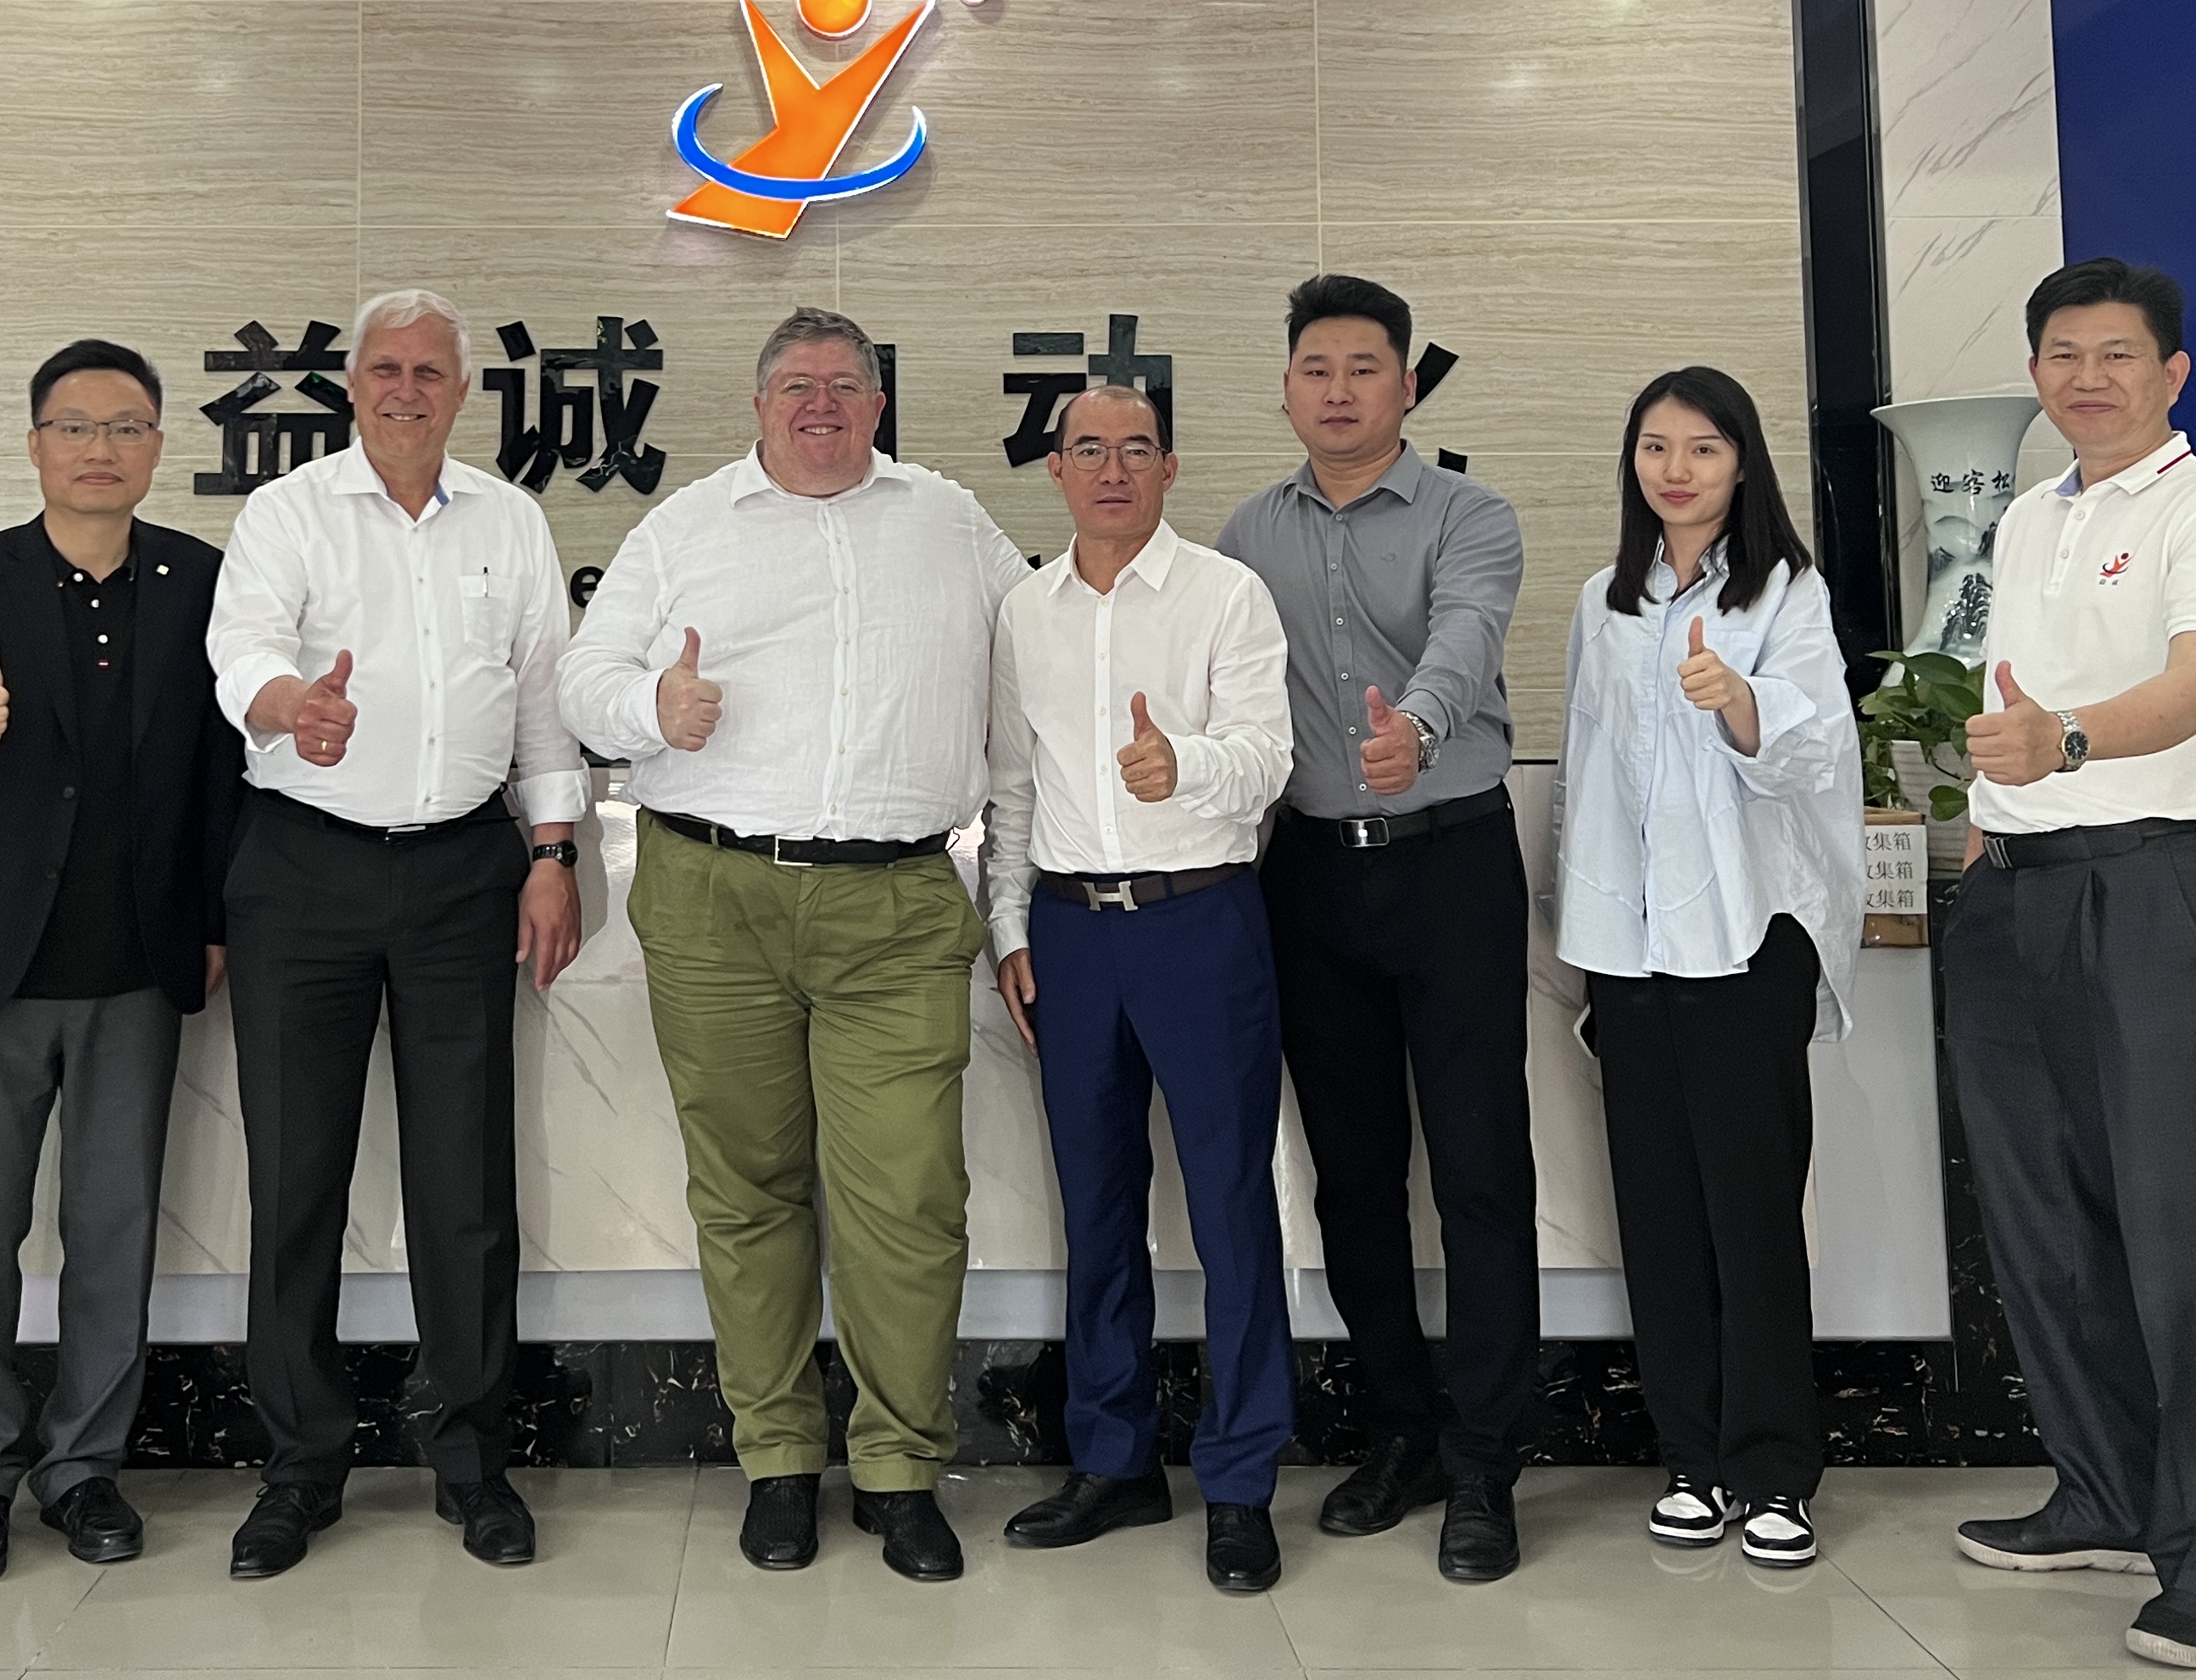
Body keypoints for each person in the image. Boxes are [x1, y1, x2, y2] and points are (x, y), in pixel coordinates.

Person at [560, 306, 1028, 1584]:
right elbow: (583, 679)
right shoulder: (686, 527)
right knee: (748, 1190)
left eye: (845, 384)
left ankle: (899, 1470)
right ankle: (775, 1458)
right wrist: (650, 706)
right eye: (797, 385)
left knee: (908, 1198)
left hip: (898, 905)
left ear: (878, 404)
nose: (821, 402)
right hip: (713, 898)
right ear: (759, 405)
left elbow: (1036, 665)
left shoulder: (950, 521)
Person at [203, 291, 587, 1577]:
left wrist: (552, 855)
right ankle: (299, 1467)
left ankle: (472, 1462)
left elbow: (543, 704)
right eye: (384, 368)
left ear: (462, 390)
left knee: (465, 1186)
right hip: (302, 870)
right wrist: (287, 706)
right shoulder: (288, 512)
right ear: (352, 384)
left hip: (466, 873)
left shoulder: (510, 521)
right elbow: (241, 650)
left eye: (429, 370)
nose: (406, 389)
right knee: (294, 1180)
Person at [1943, 259, 2196, 1672]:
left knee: (2177, 1229)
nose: (2087, 378)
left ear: (2172, 372)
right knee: (2047, 1222)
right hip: (2017, 895)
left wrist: (2070, 743)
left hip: (2152, 887)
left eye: (2118, 354)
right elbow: (2006, 707)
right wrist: (1992, 825)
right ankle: (2104, 1493)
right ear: (2036, 372)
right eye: (2062, 355)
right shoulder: (2033, 515)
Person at [0, 340, 244, 1584]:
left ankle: (86, 1467)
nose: (101, 449)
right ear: (36, 443)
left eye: (127, 427)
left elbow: (220, 769)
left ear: (158, 447)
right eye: (76, 427)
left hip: (136, 964)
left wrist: (213, 923)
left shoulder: (201, 580)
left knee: (114, 1231)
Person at [1214, 272, 1534, 1582]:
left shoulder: (1473, 515)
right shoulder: (1246, 533)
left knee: (1479, 1171)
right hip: (1309, 879)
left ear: (1407, 385)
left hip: (1453, 864)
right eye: (1316, 370)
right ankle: (1403, 1429)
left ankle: (1488, 1461)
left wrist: (1422, 726)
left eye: (1363, 369)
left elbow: (1465, 636)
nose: (1339, 392)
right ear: (1286, 389)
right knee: (1350, 1176)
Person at [983, 384, 1296, 1596]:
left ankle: (1242, 1478)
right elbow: (1013, 788)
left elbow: (1268, 758)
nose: (1112, 468)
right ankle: (1112, 1461)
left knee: (1230, 1205)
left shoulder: (1226, 594)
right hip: (1070, 935)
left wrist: (1185, 765)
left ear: (1171, 468)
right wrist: (1011, 925)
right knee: (1097, 1205)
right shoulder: (1025, 610)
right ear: (1056, 471)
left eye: (1136, 449)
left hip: (1201, 922)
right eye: (1088, 450)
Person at [1551, 366, 1862, 1572]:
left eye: (1703, 449)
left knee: (1753, 1213)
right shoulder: (1604, 600)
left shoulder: (1787, 591)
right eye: (1655, 448)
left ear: (1743, 463)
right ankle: (1690, 1457)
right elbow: (1584, 771)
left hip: (1744, 938)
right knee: (1659, 1214)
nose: (1675, 471)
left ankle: (1774, 1471)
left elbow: (1812, 750)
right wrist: (1580, 925)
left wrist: (1739, 701)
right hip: (1629, 950)